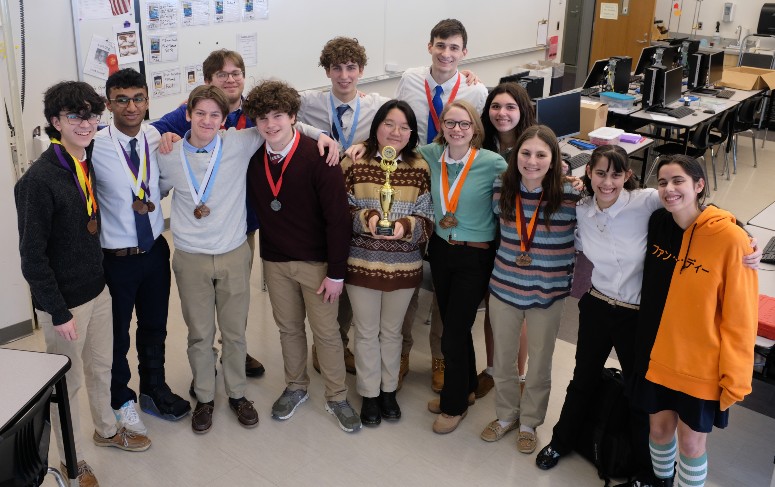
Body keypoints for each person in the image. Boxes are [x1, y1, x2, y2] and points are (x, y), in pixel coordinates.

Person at [534, 147, 761, 487]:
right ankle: (561, 441)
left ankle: (647, 471)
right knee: (582, 379)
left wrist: (744, 235)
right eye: (599, 173)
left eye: (615, 174)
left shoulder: (647, 202)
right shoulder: (581, 209)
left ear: (628, 176)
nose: (607, 182)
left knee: (641, 394)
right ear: (589, 175)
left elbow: (697, 212)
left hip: (637, 316)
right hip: (597, 304)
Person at [15, 81, 151, 487]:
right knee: (68, 385)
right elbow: (32, 258)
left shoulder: (85, 160)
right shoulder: (38, 181)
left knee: (102, 368)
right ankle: (72, 462)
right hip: (65, 306)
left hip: (98, 289)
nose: (87, 123)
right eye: (75, 116)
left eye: (92, 114)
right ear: (55, 121)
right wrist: (57, 311)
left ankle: (107, 431)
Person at [632, 155, 758, 487]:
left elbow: (742, 314)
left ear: (699, 185)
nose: (669, 189)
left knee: (691, 442)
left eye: (678, 181)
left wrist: (736, 372)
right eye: (662, 182)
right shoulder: (658, 222)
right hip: (657, 352)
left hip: (699, 363)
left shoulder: (732, 239)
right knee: (658, 430)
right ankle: (661, 482)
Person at [244, 80, 362, 433]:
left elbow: (338, 219)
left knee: (326, 333)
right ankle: (296, 386)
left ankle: (337, 395)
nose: (271, 124)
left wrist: (336, 272)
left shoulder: (319, 156)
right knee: (289, 329)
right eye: (263, 118)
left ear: (293, 116)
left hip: (317, 263)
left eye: (278, 115)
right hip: (276, 261)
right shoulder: (253, 160)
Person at [152, 49, 265, 380]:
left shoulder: (254, 112)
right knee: (201, 311)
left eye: (236, 73)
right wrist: (167, 136)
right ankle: (206, 361)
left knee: (235, 300)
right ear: (208, 82)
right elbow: (154, 132)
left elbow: (287, 124)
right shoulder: (194, 111)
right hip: (199, 236)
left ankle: (236, 354)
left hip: (243, 222)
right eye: (222, 75)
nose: (230, 79)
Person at [92, 68, 190, 438]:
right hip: (115, 259)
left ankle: (154, 388)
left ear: (147, 101)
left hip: (153, 251)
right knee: (117, 335)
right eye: (121, 99)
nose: (130, 106)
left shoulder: (157, 138)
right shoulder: (95, 145)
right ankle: (122, 400)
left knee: (155, 327)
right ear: (109, 104)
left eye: (137, 98)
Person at [395, 17, 488, 392]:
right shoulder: (409, 80)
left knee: (444, 284)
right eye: (440, 45)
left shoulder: (475, 92)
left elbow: (479, 144)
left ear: (464, 53)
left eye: (454, 48)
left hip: (452, 192)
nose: (446, 53)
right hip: (414, 184)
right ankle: (402, 352)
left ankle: (440, 356)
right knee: (407, 274)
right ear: (430, 46)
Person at [483, 125, 579, 454]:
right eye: (526, 153)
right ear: (515, 156)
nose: (532, 161)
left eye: (541, 154)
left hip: (547, 294)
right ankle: (507, 415)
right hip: (504, 288)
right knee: (504, 359)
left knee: (539, 363)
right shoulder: (502, 187)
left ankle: (529, 422)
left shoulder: (570, 194)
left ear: (554, 160)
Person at [298, 36, 391, 376]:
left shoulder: (377, 104)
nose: (344, 76)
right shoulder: (308, 103)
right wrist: (317, 133)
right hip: (319, 202)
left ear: (361, 70)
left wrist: (367, 142)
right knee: (326, 273)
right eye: (336, 68)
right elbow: (275, 112)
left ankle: (340, 342)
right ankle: (324, 344)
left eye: (351, 68)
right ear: (327, 71)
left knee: (350, 272)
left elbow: (397, 127)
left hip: (359, 199)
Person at [340, 100, 433, 426]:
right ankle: (368, 393)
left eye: (404, 127)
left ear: (412, 133)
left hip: (404, 266)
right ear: (376, 126)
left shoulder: (420, 167)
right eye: (389, 124)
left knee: (392, 332)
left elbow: (428, 218)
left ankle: (388, 390)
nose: (396, 132)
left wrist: (404, 226)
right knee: (365, 332)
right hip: (362, 263)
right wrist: (368, 219)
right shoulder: (352, 162)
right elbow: (340, 211)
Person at [418, 100, 507, 434]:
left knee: (453, 332)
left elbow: (518, 193)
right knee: (456, 325)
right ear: (441, 126)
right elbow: (392, 150)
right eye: (450, 123)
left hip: (475, 255)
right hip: (441, 250)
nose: (456, 130)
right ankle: (467, 387)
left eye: (464, 124)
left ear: (475, 129)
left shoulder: (492, 162)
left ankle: (453, 405)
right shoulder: (429, 155)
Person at [475, 81, 537, 397]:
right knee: (493, 306)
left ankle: (519, 374)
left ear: (522, 110)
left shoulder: (535, 143)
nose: (502, 113)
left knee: (519, 309)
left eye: (510, 107)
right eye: (496, 106)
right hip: (487, 235)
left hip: (522, 241)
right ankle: (491, 369)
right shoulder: (480, 143)